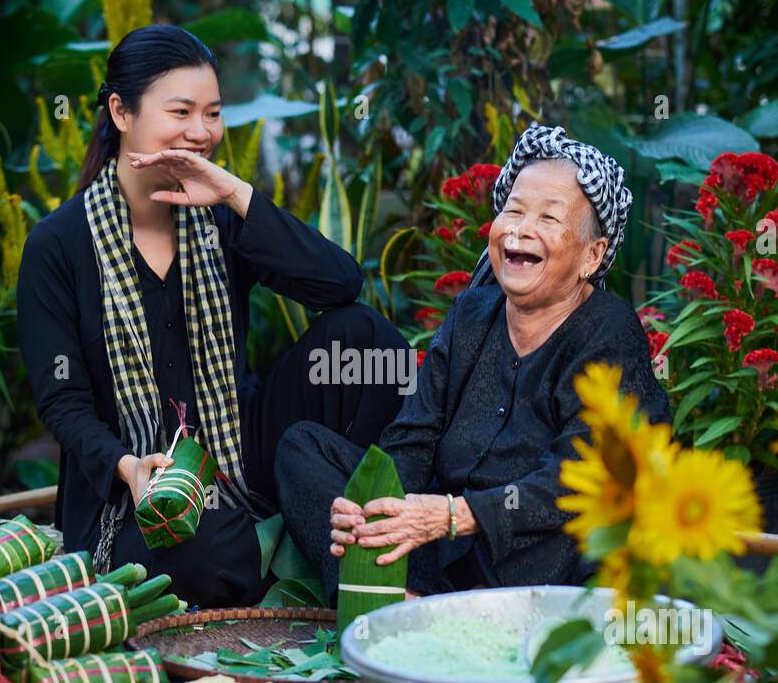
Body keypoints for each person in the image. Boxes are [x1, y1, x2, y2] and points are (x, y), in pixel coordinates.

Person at [17, 25, 406, 607]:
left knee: (367, 344)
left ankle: (337, 521)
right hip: (133, 485)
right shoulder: (60, 244)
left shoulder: (222, 221)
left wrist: (235, 197)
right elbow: (62, 401)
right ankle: (287, 553)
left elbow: (340, 283)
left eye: (214, 114)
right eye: (181, 112)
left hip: (237, 459)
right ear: (121, 112)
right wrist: (125, 466)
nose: (201, 133)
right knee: (195, 547)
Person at [277, 124, 671, 599]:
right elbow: (414, 435)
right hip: (442, 555)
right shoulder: (472, 313)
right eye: (514, 210)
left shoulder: (608, 331)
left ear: (593, 254)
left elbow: (577, 478)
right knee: (303, 449)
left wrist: (453, 515)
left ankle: (400, 604)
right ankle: (400, 598)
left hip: (542, 565)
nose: (521, 229)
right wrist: (377, 508)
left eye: (548, 218)